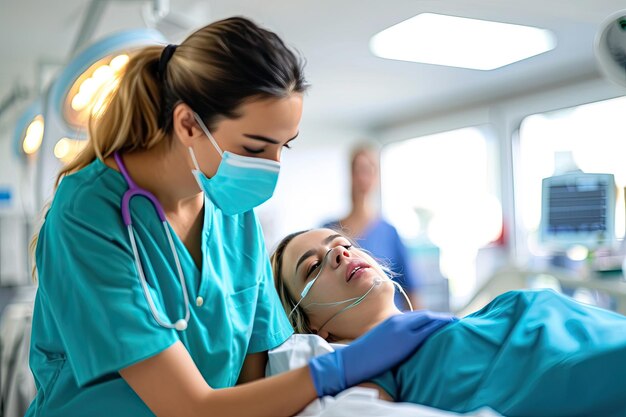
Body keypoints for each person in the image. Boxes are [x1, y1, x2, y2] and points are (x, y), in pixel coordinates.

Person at [25, 17, 454, 417]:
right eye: (254, 148)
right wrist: (337, 370)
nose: (272, 168)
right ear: (189, 124)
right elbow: (189, 407)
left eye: (282, 147)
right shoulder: (87, 216)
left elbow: (257, 373)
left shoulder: (234, 214)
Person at [271, 228, 626, 417]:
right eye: (313, 267)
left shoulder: (457, 323)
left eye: (343, 243)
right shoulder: (368, 374)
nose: (340, 252)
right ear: (314, 326)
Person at [323, 144, 422, 310]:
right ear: (349, 174)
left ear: (377, 177)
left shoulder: (389, 233)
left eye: (369, 170)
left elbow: (411, 292)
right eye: (358, 169)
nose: (363, 177)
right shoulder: (328, 231)